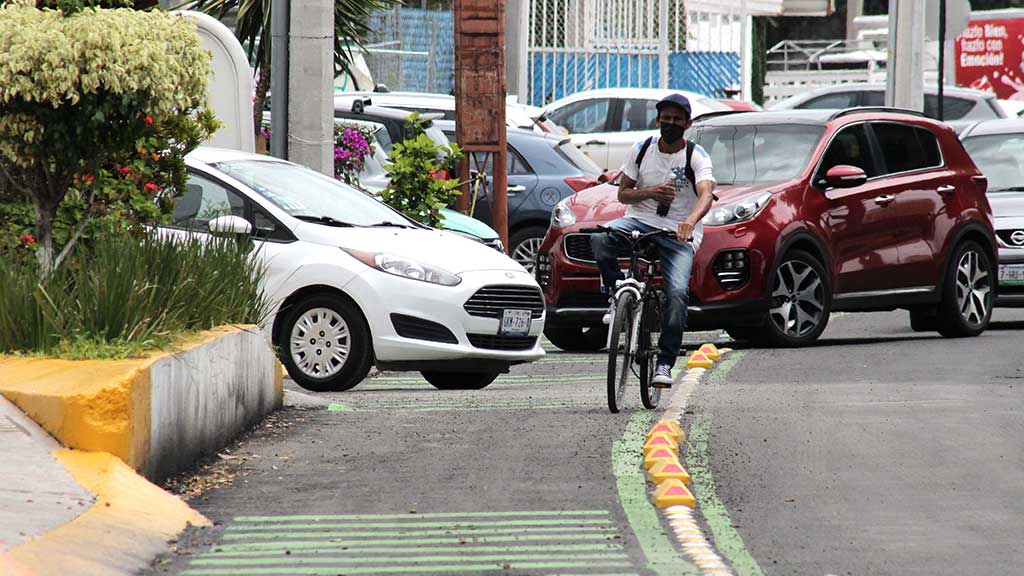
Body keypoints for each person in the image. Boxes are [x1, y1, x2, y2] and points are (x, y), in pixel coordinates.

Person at [590, 93, 716, 388]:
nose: (670, 124)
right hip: (639, 221)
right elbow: (623, 194)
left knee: (676, 293)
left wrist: (689, 222)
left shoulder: (695, 156)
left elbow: (706, 194)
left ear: (687, 123)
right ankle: (616, 293)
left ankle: (664, 362)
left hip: (677, 232)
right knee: (599, 241)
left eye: (677, 119)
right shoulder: (642, 148)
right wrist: (650, 193)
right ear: (658, 120)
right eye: (666, 118)